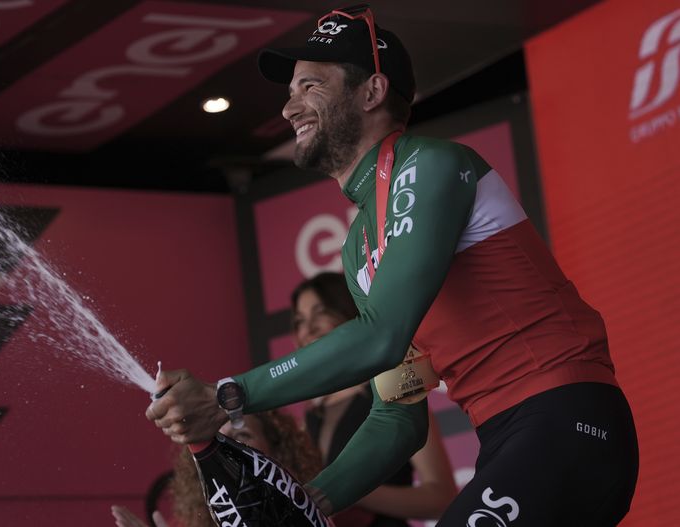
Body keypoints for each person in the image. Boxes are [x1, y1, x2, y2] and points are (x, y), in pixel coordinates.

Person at [148, 5, 639, 526]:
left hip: (566, 419)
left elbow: (380, 336)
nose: (289, 108)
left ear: (373, 92)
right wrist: (311, 501)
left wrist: (228, 395)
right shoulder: (358, 247)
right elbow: (398, 415)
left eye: (310, 86)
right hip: (510, 438)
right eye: (290, 91)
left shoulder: (431, 164)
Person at [292, 272, 456, 525]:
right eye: (300, 321)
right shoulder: (312, 414)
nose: (308, 329)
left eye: (320, 312)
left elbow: (442, 497)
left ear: (349, 311)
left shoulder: (395, 384)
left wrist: (345, 490)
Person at [112, 410, 322, 527]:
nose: (224, 446)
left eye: (242, 435)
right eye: (216, 439)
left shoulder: (321, 510)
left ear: (277, 453)